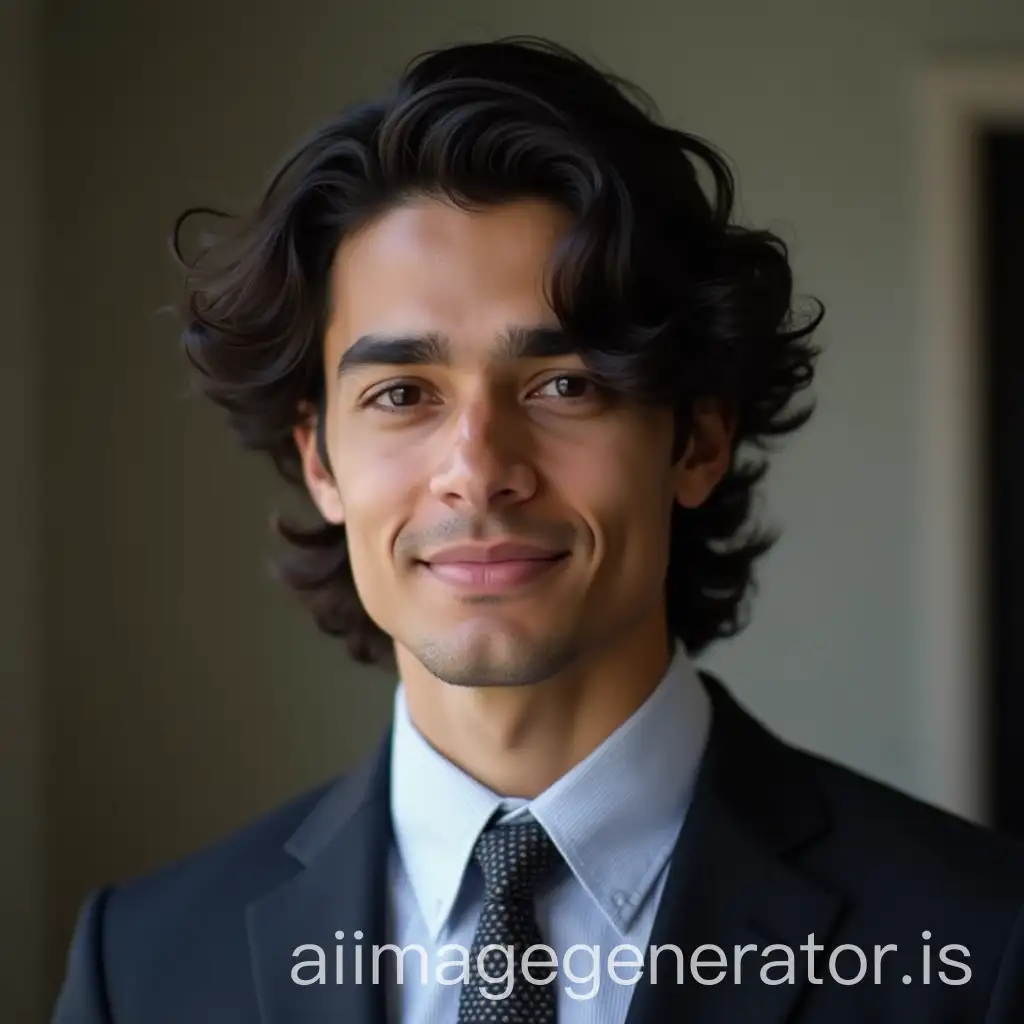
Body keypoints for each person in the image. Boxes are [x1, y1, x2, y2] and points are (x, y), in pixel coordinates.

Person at [53, 35, 1024, 1024]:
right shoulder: (137, 967)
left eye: (564, 384)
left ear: (697, 438)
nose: (476, 467)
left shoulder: (982, 941)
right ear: (319, 459)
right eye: (401, 393)